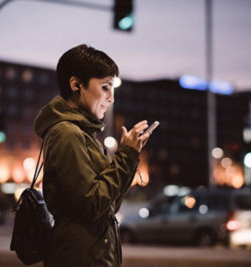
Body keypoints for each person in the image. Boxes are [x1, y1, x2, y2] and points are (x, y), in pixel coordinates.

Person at [34, 44, 153, 267]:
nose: (111, 98)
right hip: (80, 258)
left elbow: (108, 205)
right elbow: (93, 204)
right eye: (105, 87)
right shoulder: (67, 134)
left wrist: (130, 154)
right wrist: (126, 156)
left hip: (92, 255)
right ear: (76, 85)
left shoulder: (83, 134)